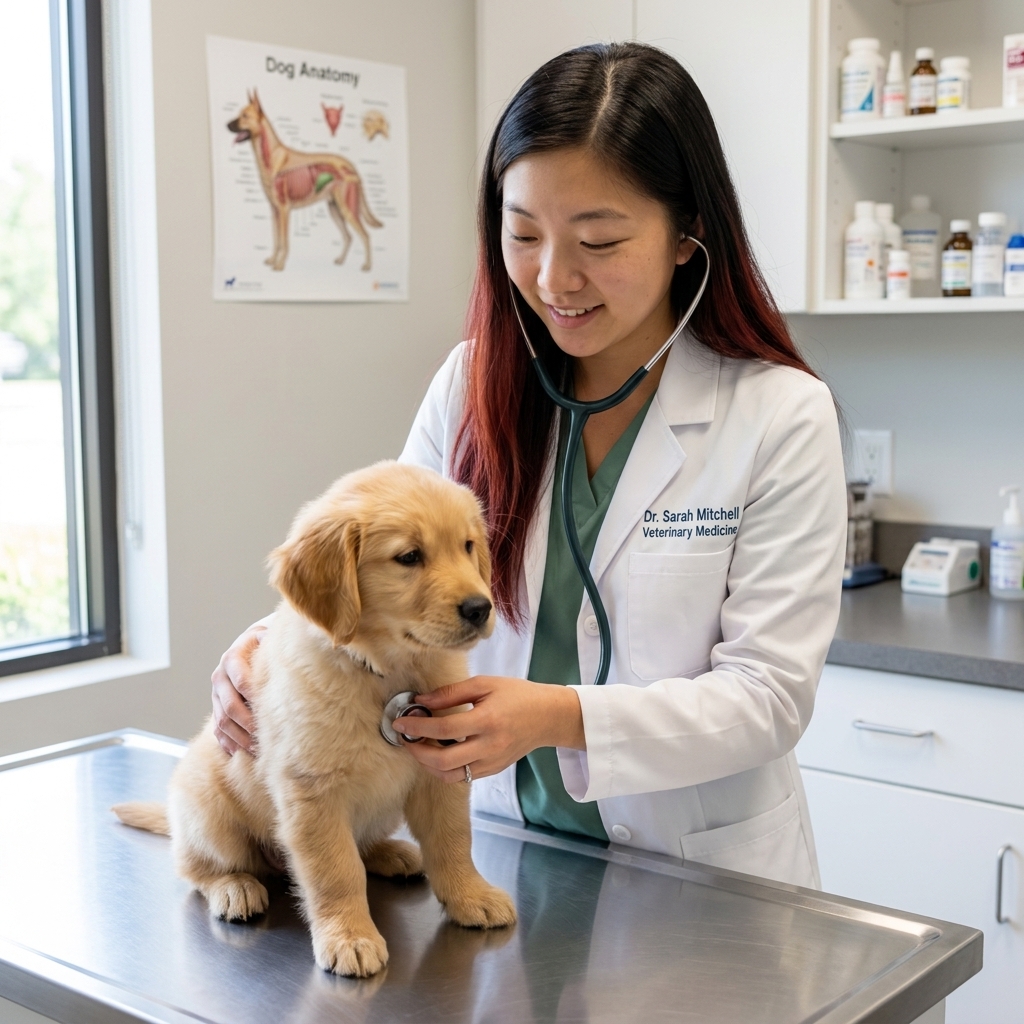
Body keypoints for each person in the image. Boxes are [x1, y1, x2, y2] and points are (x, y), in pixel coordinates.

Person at [211, 42, 846, 887]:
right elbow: (378, 575)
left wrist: (558, 717)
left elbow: (767, 697)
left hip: (694, 876)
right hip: (503, 845)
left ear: (689, 234)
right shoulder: (471, 384)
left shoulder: (779, 414)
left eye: (600, 239)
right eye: (524, 234)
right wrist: (264, 648)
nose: (554, 279)